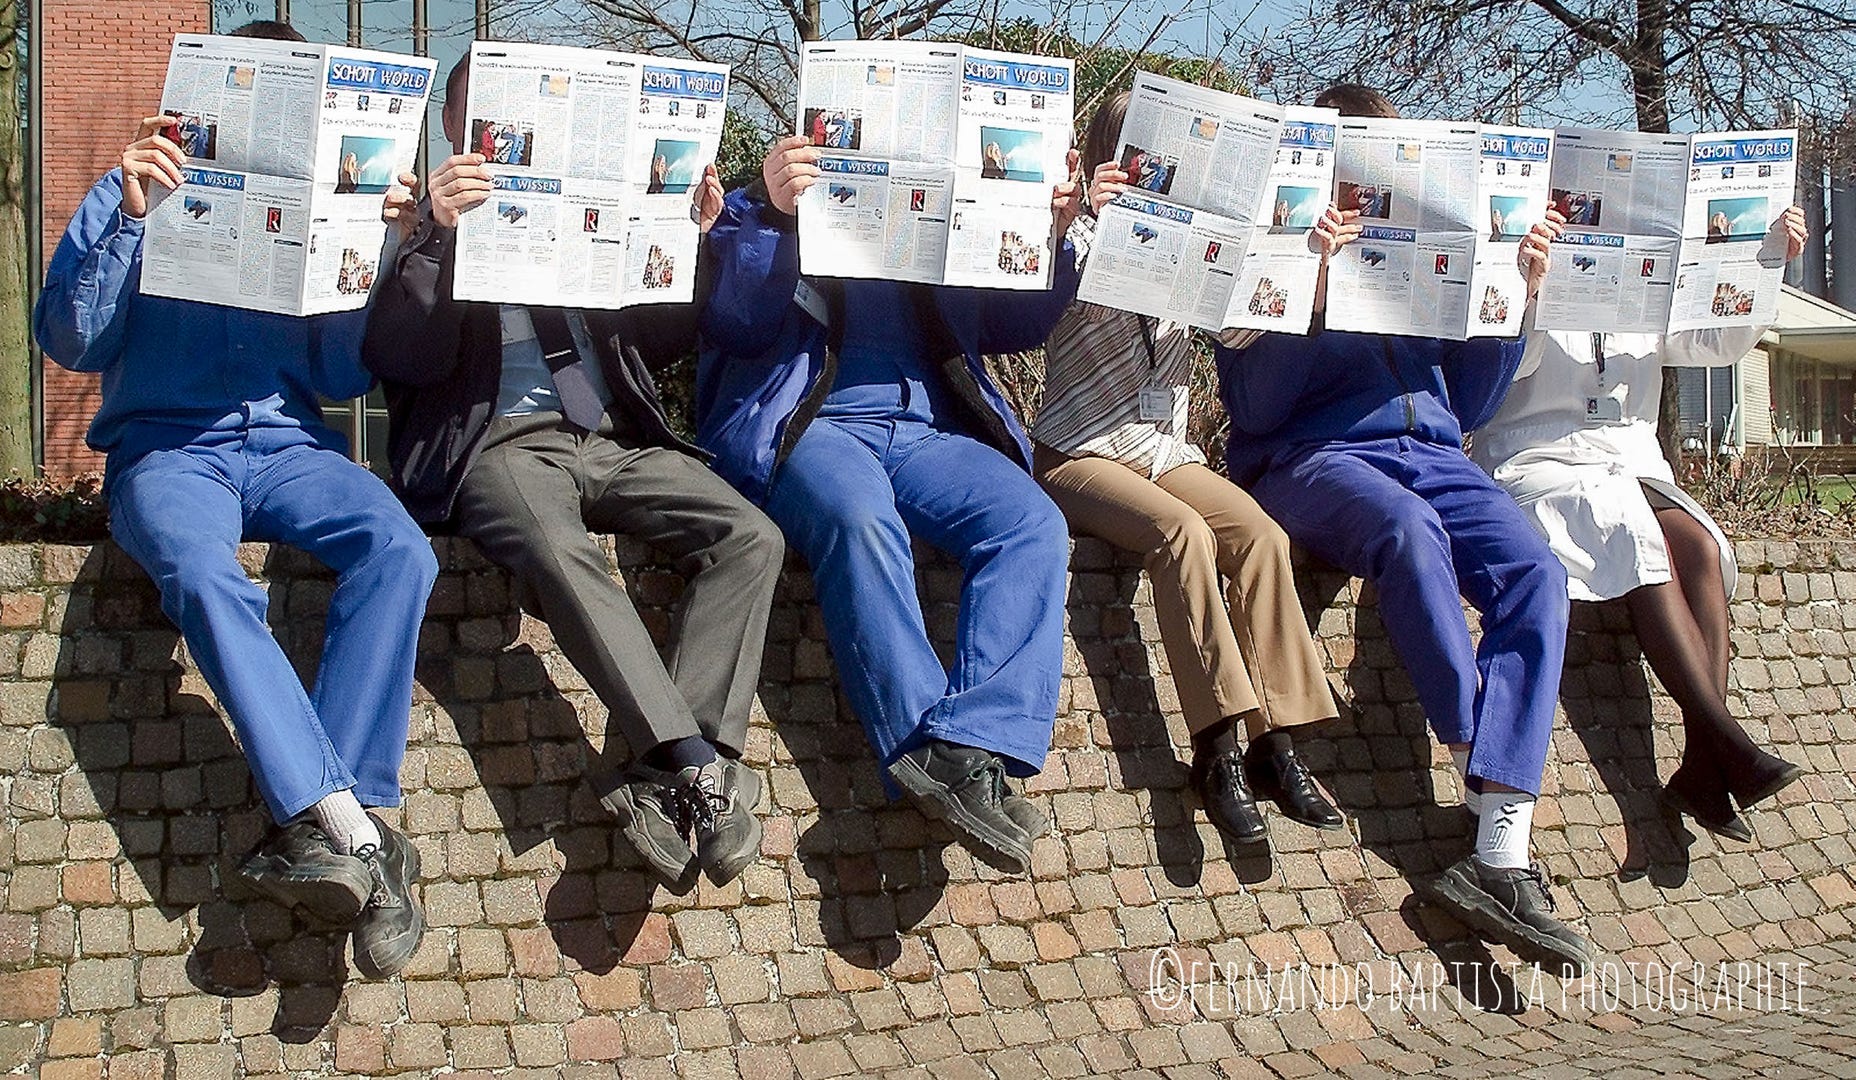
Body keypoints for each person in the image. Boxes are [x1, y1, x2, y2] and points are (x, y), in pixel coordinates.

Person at [33, 18, 436, 979]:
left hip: (292, 443)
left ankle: (335, 823)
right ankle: (363, 834)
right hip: (170, 451)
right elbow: (70, 339)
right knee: (208, 576)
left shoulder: (321, 198)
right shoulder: (138, 183)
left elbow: (340, 375)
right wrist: (129, 216)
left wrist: (371, 252)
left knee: (401, 547)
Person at [361, 57, 783, 890]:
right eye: (479, 113)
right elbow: (398, 355)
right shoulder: (408, 220)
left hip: (606, 437)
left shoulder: (582, 199)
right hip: (495, 444)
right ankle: (699, 769)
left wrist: (683, 243)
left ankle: (669, 768)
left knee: (751, 534)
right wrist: (440, 236)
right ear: (454, 126)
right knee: (559, 548)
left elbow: (657, 342)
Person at [1215, 83, 1590, 975]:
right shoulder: (1277, 237)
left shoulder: (1425, 240)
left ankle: (1497, 859)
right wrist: (1305, 288)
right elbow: (1257, 410)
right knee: (1409, 531)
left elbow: (1469, 401)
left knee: (1537, 569)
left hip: (1435, 449)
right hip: (1313, 456)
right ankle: (1479, 759)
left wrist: (1518, 298)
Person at [695, 134, 1085, 874]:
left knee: (1034, 522)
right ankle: (931, 758)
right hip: (809, 425)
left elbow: (1016, 325)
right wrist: (778, 216)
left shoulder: (946, 213)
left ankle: (971, 739)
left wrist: (1053, 235)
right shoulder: (757, 207)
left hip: (929, 428)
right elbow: (733, 323)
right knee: (858, 516)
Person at [1034, 93, 1344, 849]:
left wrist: (1305, 265)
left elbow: (1240, 332)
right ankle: (1217, 746)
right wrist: (1068, 223)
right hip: (1081, 449)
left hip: (1167, 449)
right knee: (1181, 536)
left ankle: (1279, 742)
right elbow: (1035, 308)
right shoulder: (1077, 235)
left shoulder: (1195, 234)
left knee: (1261, 536)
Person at [1473, 206, 1811, 841]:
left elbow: (1712, 342)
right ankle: (1723, 740)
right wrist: (1532, 289)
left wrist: (1768, 262)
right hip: (1538, 458)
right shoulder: (1523, 266)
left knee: (1703, 548)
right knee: (1635, 533)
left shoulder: (1644, 278)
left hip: (1630, 459)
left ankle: (1705, 757)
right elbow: (1500, 377)